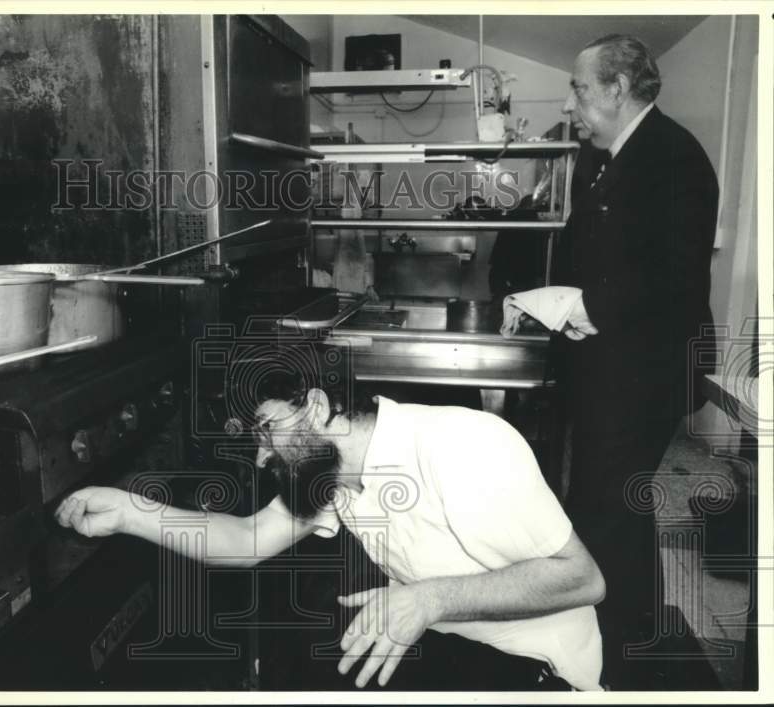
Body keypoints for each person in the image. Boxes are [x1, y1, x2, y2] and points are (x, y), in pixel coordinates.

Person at [57, 388, 606, 690]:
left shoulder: (463, 444)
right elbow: (245, 540)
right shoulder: (335, 478)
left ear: (315, 406)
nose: (261, 458)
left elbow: (584, 579)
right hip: (457, 649)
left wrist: (429, 598)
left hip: (540, 673)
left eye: (266, 430)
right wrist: (128, 511)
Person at [544, 34, 719, 688]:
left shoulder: (672, 156)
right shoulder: (617, 156)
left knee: (609, 510)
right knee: (615, 505)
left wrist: (587, 308)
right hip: (612, 371)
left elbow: (672, 279)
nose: (571, 103)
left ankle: (614, 661)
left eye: (580, 89)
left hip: (639, 377)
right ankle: (632, 628)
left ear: (618, 88)